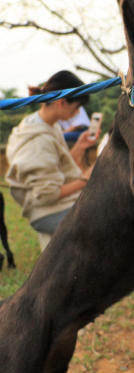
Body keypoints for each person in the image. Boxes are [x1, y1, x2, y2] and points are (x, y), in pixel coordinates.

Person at [6, 70, 99, 249]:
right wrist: (85, 179)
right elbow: (47, 195)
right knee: (103, 220)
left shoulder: (44, 124)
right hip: (46, 211)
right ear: (62, 102)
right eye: (76, 108)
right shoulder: (38, 139)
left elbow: (53, 169)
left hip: (53, 204)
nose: (77, 113)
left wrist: (79, 147)